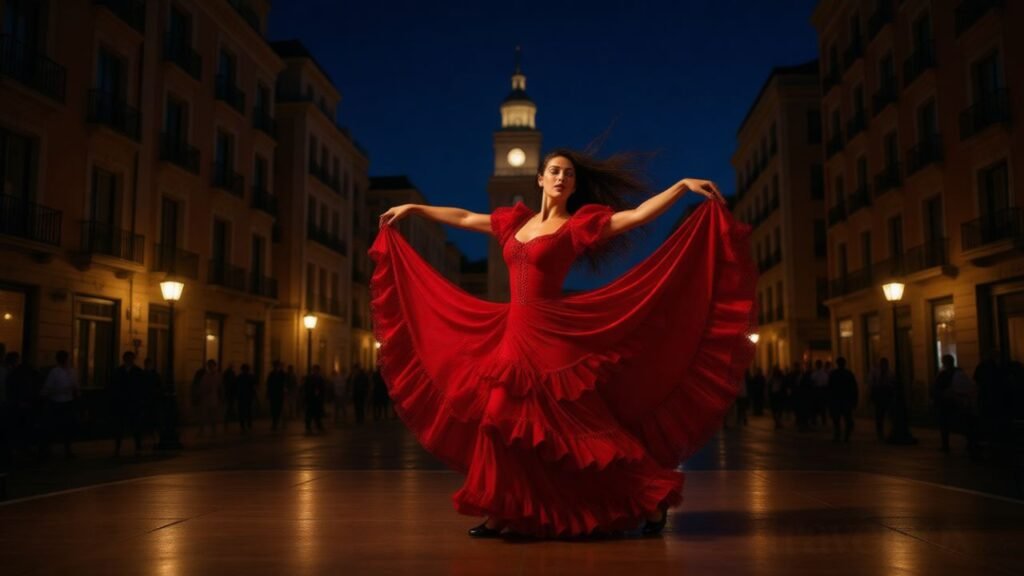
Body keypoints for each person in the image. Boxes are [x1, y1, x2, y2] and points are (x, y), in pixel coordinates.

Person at [372, 149, 755, 538]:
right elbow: (466, 217)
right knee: (500, 422)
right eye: (554, 172)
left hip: (553, 339)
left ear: (573, 185)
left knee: (585, 428)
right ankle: (505, 511)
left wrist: (680, 187)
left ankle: (651, 497)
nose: (561, 179)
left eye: (568, 175)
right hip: (514, 334)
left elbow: (635, 216)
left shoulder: (576, 226)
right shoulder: (513, 223)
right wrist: (414, 208)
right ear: (539, 179)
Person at [41, 350, 78, 458]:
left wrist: (76, 391)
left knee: (68, 426)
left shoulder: (71, 371)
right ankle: (49, 448)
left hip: (68, 401)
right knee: (54, 426)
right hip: (57, 402)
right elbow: (48, 387)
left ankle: (67, 448)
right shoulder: (55, 372)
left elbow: (75, 384)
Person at [111, 351, 146, 456]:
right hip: (122, 402)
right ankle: (118, 447)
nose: (129, 360)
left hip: (133, 402)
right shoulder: (119, 371)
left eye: (130, 358)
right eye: (127, 358)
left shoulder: (138, 372)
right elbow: (115, 386)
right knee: (119, 426)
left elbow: (141, 387)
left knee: (135, 425)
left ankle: (138, 446)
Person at [827, 357, 858, 443]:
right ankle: (845, 437)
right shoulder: (848, 374)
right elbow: (854, 388)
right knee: (847, 420)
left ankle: (838, 436)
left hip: (837, 400)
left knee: (837, 420)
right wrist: (854, 400)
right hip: (845, 400)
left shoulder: (834, 374)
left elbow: (830, 388)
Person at [869, 358, 896, 441]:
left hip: (887, 394)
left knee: (889, 414)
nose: (884, 366)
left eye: (885, 364)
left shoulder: (890, 372)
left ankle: (890, 432)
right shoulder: (875, 372)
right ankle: (880, 433)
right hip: (879, 395)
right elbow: (871, 383)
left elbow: (893, 382)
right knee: (879, 416)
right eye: (883, 364)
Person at [304, 364, 326, 434]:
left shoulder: (320, 378)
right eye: (315, 370)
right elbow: (307, 387)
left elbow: (322, 388)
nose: (316, 371)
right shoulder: (310, 378)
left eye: (317, 370)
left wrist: (320, 394)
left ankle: (318, 425)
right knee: (310, 413)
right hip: (311, 398)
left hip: (317, 399)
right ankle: (309, 426)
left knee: (317, 413)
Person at [236, 363, 256, 433]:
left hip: (243, 396)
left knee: (243, 411)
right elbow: (253, 387)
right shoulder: (250, 377)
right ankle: (247, 424)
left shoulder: (239, 377)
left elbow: (236, 387)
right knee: (248, 411)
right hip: (247, 396)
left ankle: (244, 425)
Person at [266, 361, 287, 431]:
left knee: (279, 408)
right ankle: (274, 421)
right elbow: (268, 384)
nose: (277, 368)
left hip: (280, 394)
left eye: (278, 366)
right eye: (276, 366)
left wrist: (285, 391)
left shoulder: (282, 374)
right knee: (273, 408)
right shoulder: (271, 374)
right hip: (273, 394)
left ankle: (276, 421)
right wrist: (268, 394)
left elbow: (285, 383)